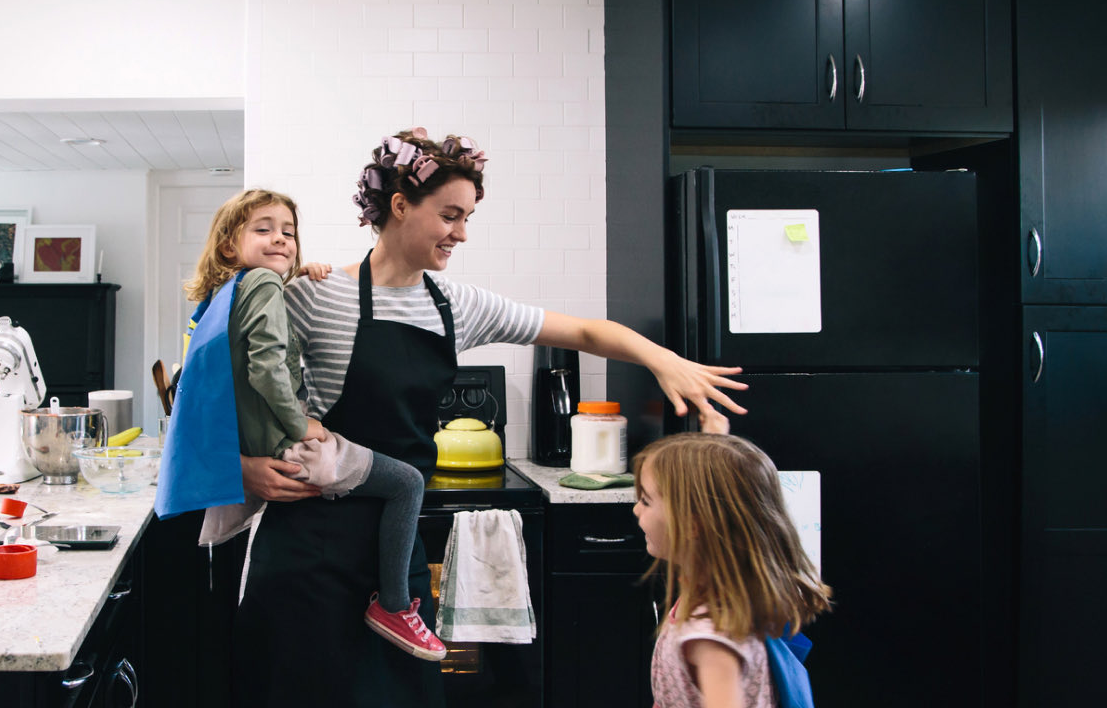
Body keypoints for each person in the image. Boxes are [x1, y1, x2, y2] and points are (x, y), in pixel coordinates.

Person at [233, 127, 749, 707]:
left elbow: (580, 331)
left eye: (468, 216)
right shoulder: (314, 295)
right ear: (400, 206)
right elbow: (214, 391)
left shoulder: (456, 306)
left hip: (392, 559)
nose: (462, 233)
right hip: (310, 550)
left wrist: (661, 358)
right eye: (450, 215)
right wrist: (243, 469)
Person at [169, 188, 446, 661]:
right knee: (406, 482)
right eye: (264, 229)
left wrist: (297, 272)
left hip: (268, 454)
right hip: (292, 448)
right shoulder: (262, 285)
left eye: (288, 232)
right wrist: (301, 425)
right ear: (228, 246)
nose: (280, 239)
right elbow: (268, 367)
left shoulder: (232, 292)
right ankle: (396, 608)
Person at [632, 431, 832, 708]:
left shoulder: (711, 636)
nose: (635, 509)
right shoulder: (720, 590)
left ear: (692, 525)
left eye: (646, 501)